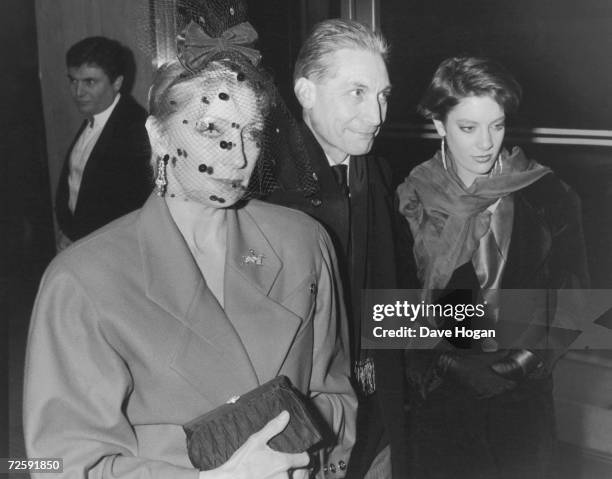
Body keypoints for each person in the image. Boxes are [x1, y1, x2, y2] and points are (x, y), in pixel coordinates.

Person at [24, 14, 356, 479]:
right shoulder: (81, 280)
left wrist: (308, 460)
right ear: (159, 136)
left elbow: (335, 395)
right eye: (209, 130)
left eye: (252, 133)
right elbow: (58, 465)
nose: (238, 156)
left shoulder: (303, 241)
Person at [397, 56, 590, 479]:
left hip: (523, 398)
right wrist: (451, 364)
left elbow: (576, 299)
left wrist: (518, 363)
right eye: (468, 128)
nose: (486, 143)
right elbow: (390, 302)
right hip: (438, 403)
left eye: (497, 125)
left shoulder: (549, 194)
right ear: (439, 124)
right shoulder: (408, 198)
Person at [265, 19, 407, 479]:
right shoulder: (262, 182)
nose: (377, 115)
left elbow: (399, 286)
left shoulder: (379, 172)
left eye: (383, 94)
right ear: (306, 92)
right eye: (357, 93)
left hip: (377, 409)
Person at [55, 36, 151, 249]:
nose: (78, 92)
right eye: (73, 80)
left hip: (110, 252)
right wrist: (68, 232)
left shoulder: (135, 130)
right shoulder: (97, 117)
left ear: (117, 82)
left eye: (90, 82)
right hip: (80, 244)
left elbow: (136, 211)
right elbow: (76, 186)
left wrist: (82, 242)